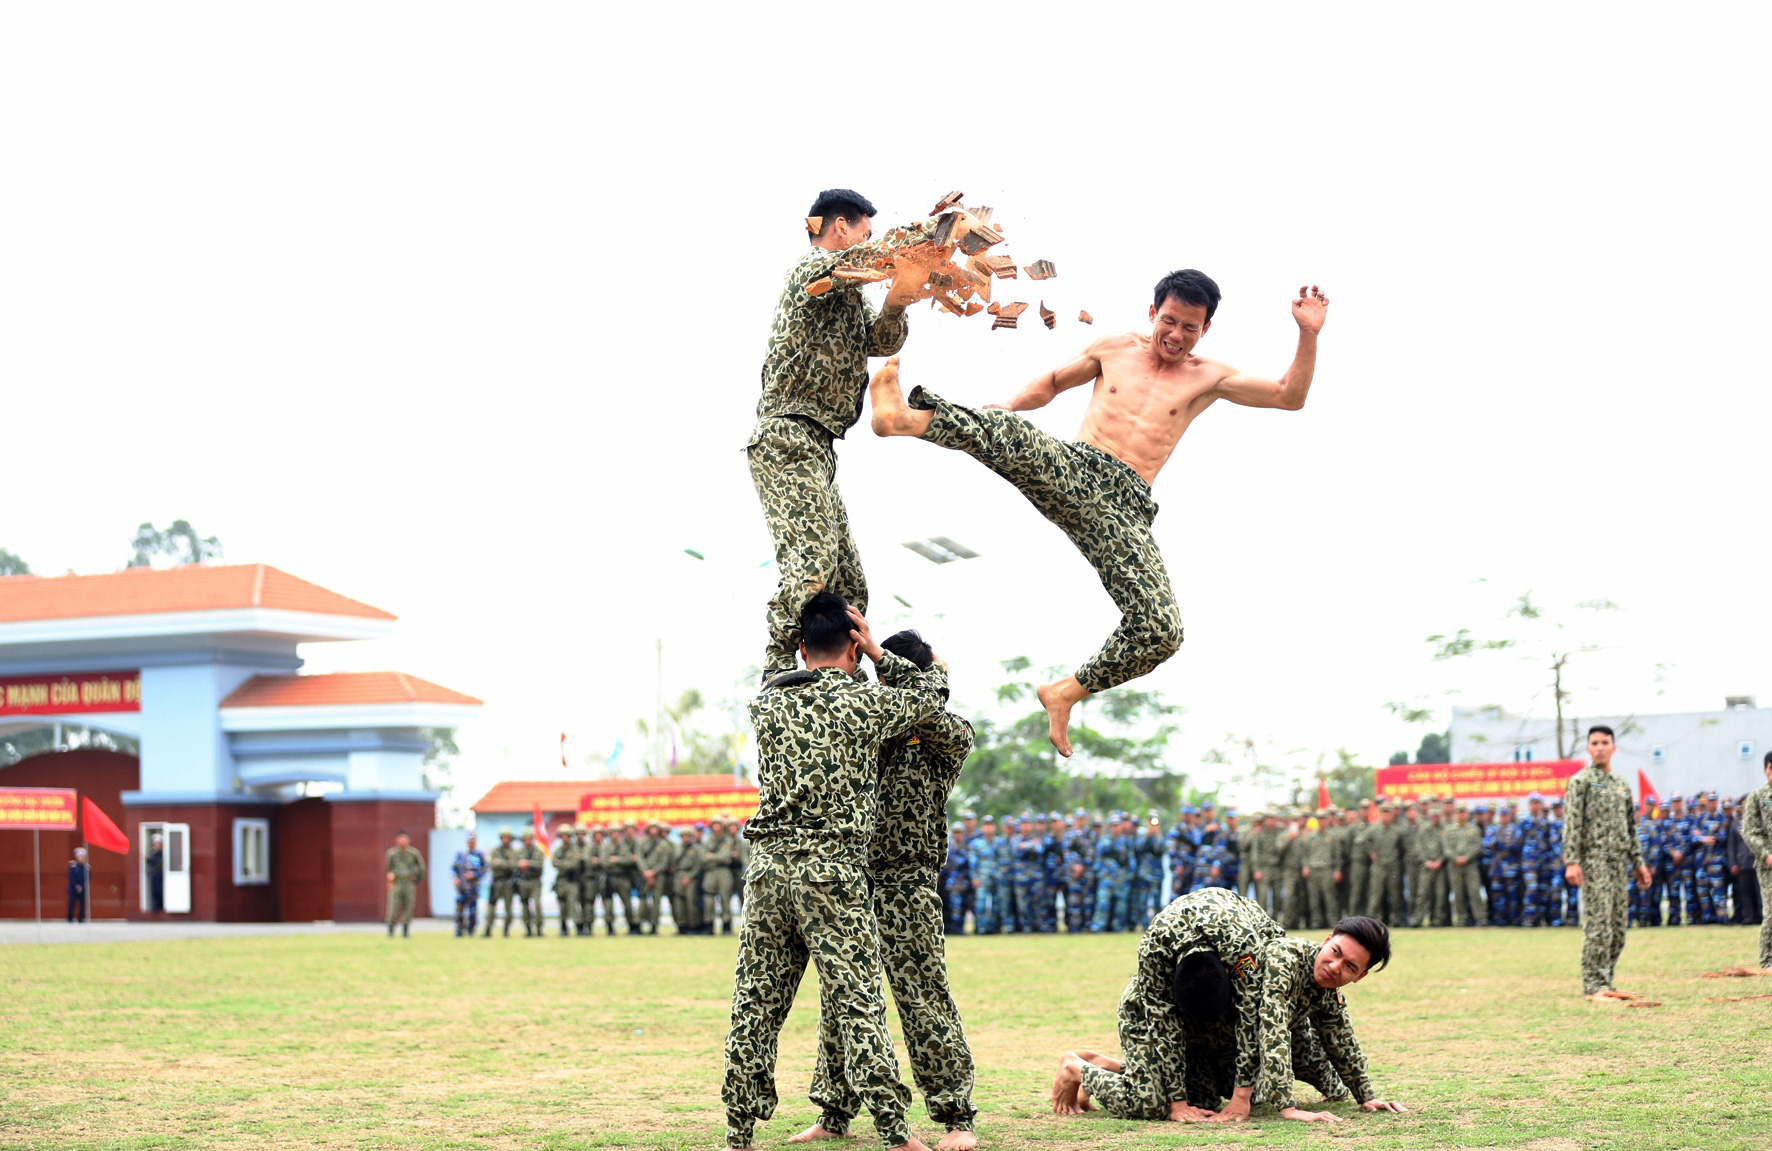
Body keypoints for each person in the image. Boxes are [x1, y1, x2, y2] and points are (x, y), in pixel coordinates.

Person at [868, 270, 1329, 755]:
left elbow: (1288, 396)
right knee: (1015, 434)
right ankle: (905, 418)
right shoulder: (1114, 348)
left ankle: (1065, 692)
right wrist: (1008, 403)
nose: (1175, 336)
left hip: (1124, 508)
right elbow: (1050, 383)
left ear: (1204, 330)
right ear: (1153, 314)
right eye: (1168, 321)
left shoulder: (1209, 377)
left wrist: (1307, 333)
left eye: (1188, 328)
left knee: (1161, 629)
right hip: (1077, 469)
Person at [720, 593, 948, 1151]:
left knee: (756, 1001)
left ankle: (738, 1132)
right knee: (859, 1002)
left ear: (800, 647)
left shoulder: (766, 704)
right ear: (853, 644)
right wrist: (877, 652)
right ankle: (896, 1134)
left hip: (769, 871)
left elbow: (780, 667)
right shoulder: (865, 704)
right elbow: (926, 694)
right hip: (832, 872)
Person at [803, 627, 979, 1151]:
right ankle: (834, 1113)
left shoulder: (944, 733)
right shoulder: (866, 722)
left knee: (922, 998)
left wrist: (892, 659)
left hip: (908, 883)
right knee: (844, 1000)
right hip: (853, 877)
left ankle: (955, 1119)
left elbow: (930, 706)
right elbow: (829, 690)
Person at [750, 189, 925, 680]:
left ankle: (843, 680)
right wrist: (913, 248)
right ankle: (775, 667)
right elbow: (857, 264)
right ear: (841, 228)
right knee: (812, 565)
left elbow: (881, 338)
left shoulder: (850, 293)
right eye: (864, 233)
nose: (867, 244)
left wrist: (895, 302)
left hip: (819, 446)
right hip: (787, 435)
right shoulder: (812, 271)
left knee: (848, 582)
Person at [1052, 901, 1403, 1124]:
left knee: (1206, 1098)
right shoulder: (1274, 959)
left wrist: (1365, 1095)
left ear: (1360, 976)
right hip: (1157, 1013)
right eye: (1336, 952)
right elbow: (1267, 1030)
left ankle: (1111, 1066)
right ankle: (1078, 1068)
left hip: (1217, 1019)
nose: (1335, 966)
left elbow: (1335, 1032)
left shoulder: (1276, 957)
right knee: (1149, 1103)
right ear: (1327, 938)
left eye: (1349, 966)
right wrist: (1177, 1104)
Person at [1563, 726, 1653, 1000]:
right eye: (1595, 743)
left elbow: (1630, 827)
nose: (1600, 747)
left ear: (1613, 747)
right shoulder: (1581, 781)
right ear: (1588, 748)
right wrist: (1572, 861)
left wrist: (1638, 862)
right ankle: (1594, 986)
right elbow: (1572, 822)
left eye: (1605, 742)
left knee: (1617, 928)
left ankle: (1606, 980)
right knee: (1598, 925)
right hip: (1593, 862)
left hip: (1618, 864)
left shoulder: (1621, 784)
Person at [1739, 752, 1772, 969]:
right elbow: (1749, 831)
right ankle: (1767, 959)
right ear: (1766, 770)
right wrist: (1766, 854)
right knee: (1771, 911)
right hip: (1768, 864)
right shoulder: (1758, 797)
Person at [1444, 805, 1486, 926]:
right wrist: (1456, 858)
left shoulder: (1473, 829)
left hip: (1470, 865)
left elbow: (1477, 846)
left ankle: (1480, 918)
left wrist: (1466, 857)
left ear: (1467, 814)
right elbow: (1446, 848)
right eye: (1459, 812)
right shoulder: (1449, 829)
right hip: (1454, 865)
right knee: (1458, 893)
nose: (1461, 815)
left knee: (1474, 892)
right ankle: (1462, 919)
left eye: (1464, 812)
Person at [385, 831, 426, 938]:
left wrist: (415, 879)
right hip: (397, 883)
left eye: (405, 839)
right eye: (401, 839)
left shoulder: (414, 853)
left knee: (408, 907)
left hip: (408, 883)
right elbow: (388, 868)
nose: (403, 841)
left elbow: (421, 868)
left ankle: (406, 930)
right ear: (397, 840)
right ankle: (391, 930)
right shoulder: (392, 854)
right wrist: (390, 879)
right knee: (393, 907)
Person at [451, 834, 488, 937]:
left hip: (473, 888)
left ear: (476, 842)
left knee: (472, 910)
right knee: (459, 910)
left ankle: (471, 930)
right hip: (461, 888)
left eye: (473, 841)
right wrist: (455, 878)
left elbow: (484, 869)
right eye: (469, 841)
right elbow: (453, 869)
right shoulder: (461, 855)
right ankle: (459, 930)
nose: (471, 843)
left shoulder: (479, 855)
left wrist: (474, 875)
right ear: (466, 842)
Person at [485, 829, 518, 937]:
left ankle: (506, 930)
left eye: (507, 837)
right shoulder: (495, 851)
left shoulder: (514, 852)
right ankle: (488, 929)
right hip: (496, 882)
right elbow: (492, 864)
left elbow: (514, 865)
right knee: (491, 907)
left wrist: (501, 863)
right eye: (503, 837)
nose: (505, 840)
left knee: (508, 908)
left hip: (508, 882)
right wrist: (506, 864)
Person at [552, 823, 583, 936]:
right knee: (562, 906)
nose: (565, 838)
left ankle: (578, 927)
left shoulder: (575, 849)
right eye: (563, 835)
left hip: (572, 881)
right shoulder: (558, 850)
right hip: (561, 882)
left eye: (567, 835)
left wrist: (563, 864)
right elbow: (554, 862)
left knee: (573, 905)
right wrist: (566, 864)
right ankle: (563, 928)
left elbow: (574, 864)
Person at [66, 846, 89, 922]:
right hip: (73, 888)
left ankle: (80, 918)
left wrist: (82, 886)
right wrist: (76, 886)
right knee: (71, 903)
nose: (81, 858)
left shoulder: (86, 867)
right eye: (79, 856)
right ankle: (70, 918)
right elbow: (71, 877)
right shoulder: (73, 866)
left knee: (82, 903)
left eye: (82, 856)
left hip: (82, 888)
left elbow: (87, 878)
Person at [145, 833, 165, 913]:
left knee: (159, 890)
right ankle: (155, 907)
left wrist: (148, 859)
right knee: (154, 891)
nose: (156, 845)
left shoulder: (161, 854)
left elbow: (156, 862)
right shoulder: (153, 852)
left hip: (159, 874)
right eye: (155, 843)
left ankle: (159, 906)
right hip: (154, 874)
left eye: (158, 843)